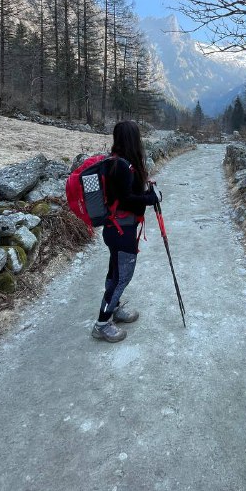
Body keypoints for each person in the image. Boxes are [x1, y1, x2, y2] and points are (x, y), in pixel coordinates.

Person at [92, 120, 160, 343]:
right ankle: (102, 323)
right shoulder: (122, 165)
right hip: (122, 231)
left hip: (114, 229)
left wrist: (144, 187)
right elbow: (127, 199)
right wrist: (151, 198)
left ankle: (114, 308)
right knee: (122, 277)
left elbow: (122, 193)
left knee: (115, 273)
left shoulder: (115, 162)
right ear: (133, 139)